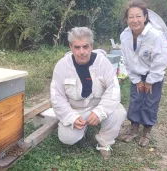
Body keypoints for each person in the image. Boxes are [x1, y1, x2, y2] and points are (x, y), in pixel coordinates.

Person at [50, 27, 126, 159]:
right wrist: (71, 116)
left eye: (85, 47)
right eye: (77, 47)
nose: (82, 52)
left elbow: (113, 91)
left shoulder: (103, 63)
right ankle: (82, 129)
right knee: (67, 138)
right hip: (75, 109)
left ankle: (104, 142)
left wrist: (99, 112)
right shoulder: (62, 66)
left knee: (119, 113)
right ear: (70, 47)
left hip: (98, 105)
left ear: (91, 46)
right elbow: (57, 97)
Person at [120, 0, 167, 147]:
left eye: (138, 16)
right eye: (131, 17)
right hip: (136, 74)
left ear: (145, 16)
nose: (134, 20)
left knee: (150, 102)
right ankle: (134, 129)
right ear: (126, 19)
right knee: (135, 100)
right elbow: (127, 59)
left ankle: (147, 130)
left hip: (153, 75)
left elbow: (161, 60)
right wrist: (136, 79)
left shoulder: (155, 35)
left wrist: (149, 80)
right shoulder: (125, 36)